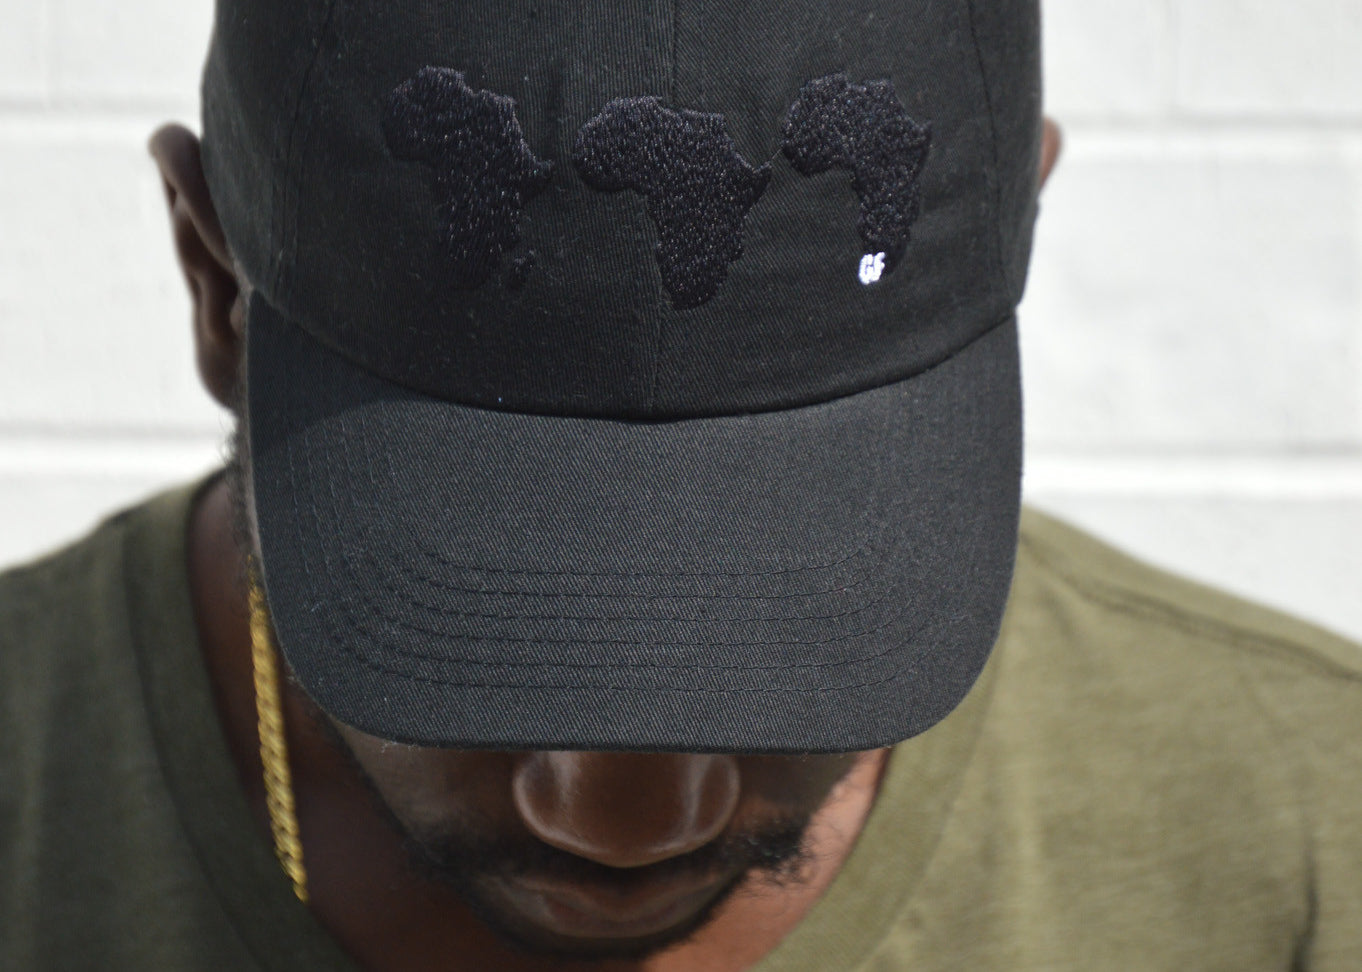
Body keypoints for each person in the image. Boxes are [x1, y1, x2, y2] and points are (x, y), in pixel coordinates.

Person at [2, 0, 1359, 969]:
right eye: (486, 626)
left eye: (781, 612)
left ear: (1014, 242)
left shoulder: (1309, 840)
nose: (622, 819)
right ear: (216, 288)